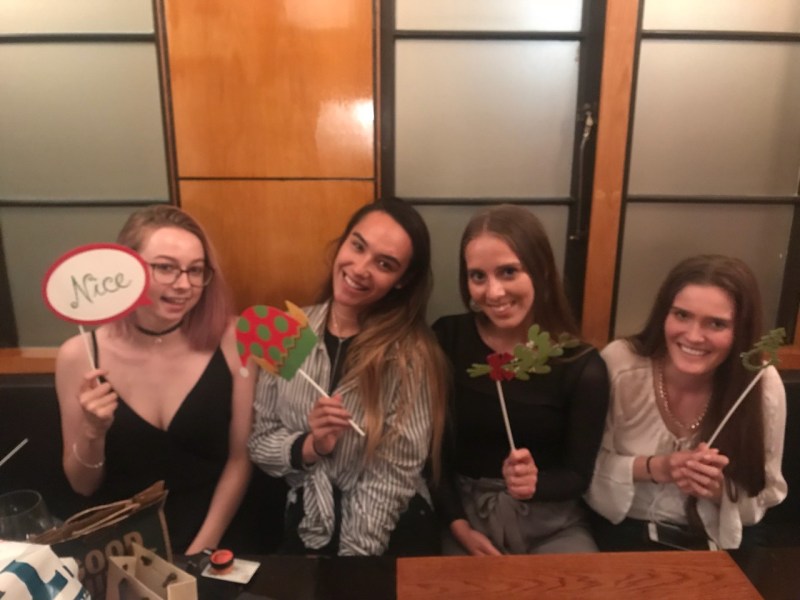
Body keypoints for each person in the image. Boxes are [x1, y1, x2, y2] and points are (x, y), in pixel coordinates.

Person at [248, 199, 447, 556]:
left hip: (389, 529)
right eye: (357, 246)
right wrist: (313, 445)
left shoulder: (411, 354)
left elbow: (394, 475)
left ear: (402, 281)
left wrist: (353, 561)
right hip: (308, 522)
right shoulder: (288, 331)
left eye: (384, 264)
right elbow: (260, 444)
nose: (360, 268)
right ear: (342, 244)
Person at [55, 205, 253, 554]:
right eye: (165, 267)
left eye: (196, 270)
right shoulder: (79, 355)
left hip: (216, 539)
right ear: (125, 269)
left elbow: (240, 459)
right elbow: (82, 485)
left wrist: (199, 553)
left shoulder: (233, 338)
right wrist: (92, 432)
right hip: (123, 547)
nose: (184, 284)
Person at [433, 204, 609, 555]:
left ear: (541, 270)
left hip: (552, 525)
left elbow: (578, 476)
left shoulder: (582, 366)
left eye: (509, 272)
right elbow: (431, 455)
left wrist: (534, 483)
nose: (494, 292)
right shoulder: (447, 339)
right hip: (464, 516)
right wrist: (458, 526)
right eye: (478, 276)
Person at [585, 254, 787, 550]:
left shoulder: (761, 384)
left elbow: (765, 495)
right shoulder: (621, 364)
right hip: (620, 530)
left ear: (740, 332)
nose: (693, 336)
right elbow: (583, 469)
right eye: (682, 315)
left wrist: (719, 491)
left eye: (716, 324)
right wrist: (657, 468)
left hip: (715, 539)